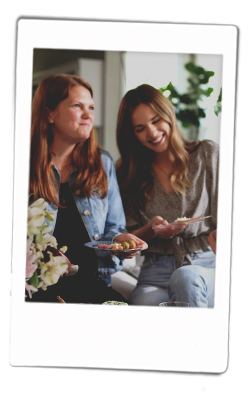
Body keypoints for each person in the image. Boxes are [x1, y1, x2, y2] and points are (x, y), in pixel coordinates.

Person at [27, 73, 145, 304]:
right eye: (77, 106)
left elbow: (113, 227)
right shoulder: (20, 162)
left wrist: (123, 240)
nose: (87, 115)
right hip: (36, 287)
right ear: (50, 113)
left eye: (91, 108)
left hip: (93, 281)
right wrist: (46, 257)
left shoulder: (102, 163)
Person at [116, 84, 219, 307]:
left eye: (156, 121)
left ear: (168, 115)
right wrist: (151, 230)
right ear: (132, 135)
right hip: (155, 271)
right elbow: (129, 238)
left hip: (204, 263)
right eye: (140, 128)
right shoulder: (127, 174)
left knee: (187, 278)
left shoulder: (207, 154)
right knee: (142, 303)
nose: (152, 133)